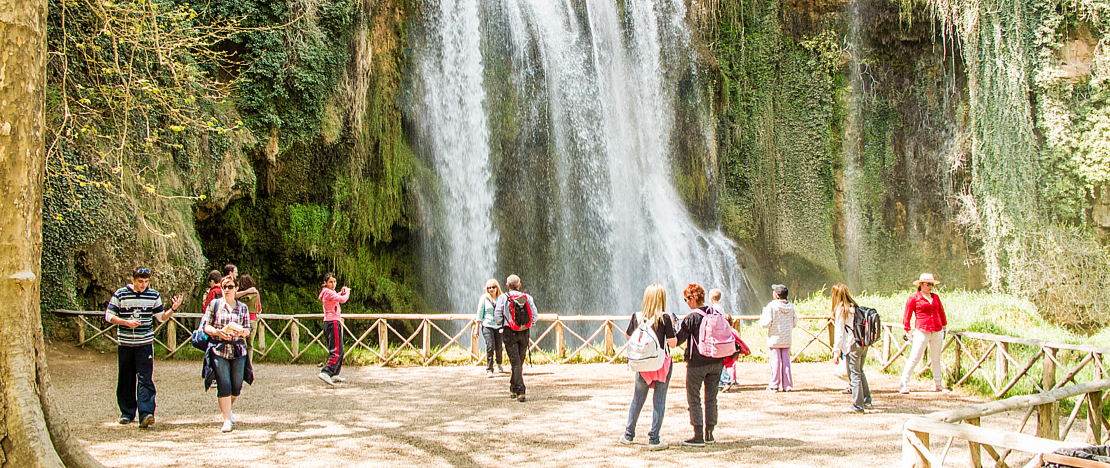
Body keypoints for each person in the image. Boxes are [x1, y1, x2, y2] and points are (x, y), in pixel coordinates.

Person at [104, 266, 183, 428]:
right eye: (140, 282)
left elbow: (160, 318)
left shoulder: (153, 295)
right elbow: (109, 315)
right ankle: (126, 412)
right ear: (132, 280)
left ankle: (146, 413)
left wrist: (172, 309)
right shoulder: (121, 294)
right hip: (125, 343)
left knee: (145, 377)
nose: (143, 285)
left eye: (146, 282)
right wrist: (125, 322)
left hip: (145, 343)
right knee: (126, 377)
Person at [620, 284, 677, 451]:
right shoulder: (665, 318)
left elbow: (628, 336)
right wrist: (673, 327)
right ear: (662, 299)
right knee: (659, 401)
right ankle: (654, 439)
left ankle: (628, 435)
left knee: (637, 400)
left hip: (643, 364)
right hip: (661, 364)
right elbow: (672, 343)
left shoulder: (637, 317)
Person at [202, 277, 253, 432]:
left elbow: (248, 328)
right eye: (224, 286)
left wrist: (242, 331)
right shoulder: (214, 305)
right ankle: (226, 419)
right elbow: (206, 326)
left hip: (238, 349)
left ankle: (227, 409)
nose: (227, 289)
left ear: (236, 288)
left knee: (237, 385)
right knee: (224, 384)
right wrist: (218, 332)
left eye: (230, 286)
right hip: (219, 348)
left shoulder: (243, 307)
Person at [676, 283, 725, 447]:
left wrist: (671, 326)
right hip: (717, 361)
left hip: (697, 363)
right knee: (711, 398)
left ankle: (697, 436)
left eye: (686, 299)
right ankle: (709, 434)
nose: (686, 302)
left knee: (694, 398)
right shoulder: (715, 313)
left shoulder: (692, 317)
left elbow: (677, 340)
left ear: (693, 298)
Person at [899, 273, 948, 394]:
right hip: (922, 330)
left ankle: (938, 383)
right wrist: (907, 330)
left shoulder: (935, 297)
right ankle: (903, 383)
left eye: (932, 284)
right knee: (915, 357)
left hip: (937, 330)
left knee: (936, 358)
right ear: (921, 285)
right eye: (928, 284)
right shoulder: (914, 298)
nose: (931, 287)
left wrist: (944, 327)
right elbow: (907, 314)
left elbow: (941, 312)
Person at [494, 274, 537, 402]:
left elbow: (497, 317)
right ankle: (513, 387)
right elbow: (535, 316)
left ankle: (520, 390)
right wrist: (528, 325)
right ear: (519, 285)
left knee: (515, 362)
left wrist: (502, 323)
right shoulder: (527, 297)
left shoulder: (502, 298)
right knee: (519, 361)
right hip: (524, 332)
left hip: (509, 332)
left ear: (507, 286)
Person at [831, 284, 872, 413]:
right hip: (863, 343)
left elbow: (839, 332)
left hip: (852, 344)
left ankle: (858, 405)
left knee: (854, 374)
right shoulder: (855, 307)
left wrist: (836, 351)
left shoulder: (842, 309)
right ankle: (867, 400)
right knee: (860, 371)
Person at [760, 284, 796, 392]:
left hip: (775, 338)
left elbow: (765, 323)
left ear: (776, 294)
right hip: (786, 338)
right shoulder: (790, 307)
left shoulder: (771, 306)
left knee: (775, 362)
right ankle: (788, 385)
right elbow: (795, 322)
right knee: (786, 362)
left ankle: (774, 384)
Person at [317, 273, 351, 386]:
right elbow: (342, 300)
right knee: (336, 350)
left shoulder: (327, 293)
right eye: (330, 282)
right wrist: (347, 294)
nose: (333, 284)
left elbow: (335, 296)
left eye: (334, 282)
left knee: (339, 350)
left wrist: (341, 292)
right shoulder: (327, 292)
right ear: (325, 283)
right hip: (333, 322)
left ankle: (335, 373)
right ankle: (326, 371)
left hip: (329, 321)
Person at [476, 279, 505, 377]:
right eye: (489, 287)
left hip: (499, 326)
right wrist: (476, 328)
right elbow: (479, 314)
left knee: (498, 347)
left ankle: (499, 363)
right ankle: (489, 369)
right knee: (490, 346)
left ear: (497, 287)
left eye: (493, 287)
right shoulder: (484, 298)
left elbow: (505, 312)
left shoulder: (502, 298)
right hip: (487, 325)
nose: (491, 289)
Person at [708, 289, 735, 390]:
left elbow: (715, 322)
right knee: (717, 360)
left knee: (716, 360)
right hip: (721, 335)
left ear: (711, 298)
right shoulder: (721, 308)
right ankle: (719, 382)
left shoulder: (714, 308)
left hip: (717, 336)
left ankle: (727, 379)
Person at [238, 274, 263, 358]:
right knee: (250, 345)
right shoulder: (256, 294)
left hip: (240, 320)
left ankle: (242, 364)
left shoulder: (238, 295)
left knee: (241, 345)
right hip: (252, 320)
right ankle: (249, 366)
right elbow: (259, 310)